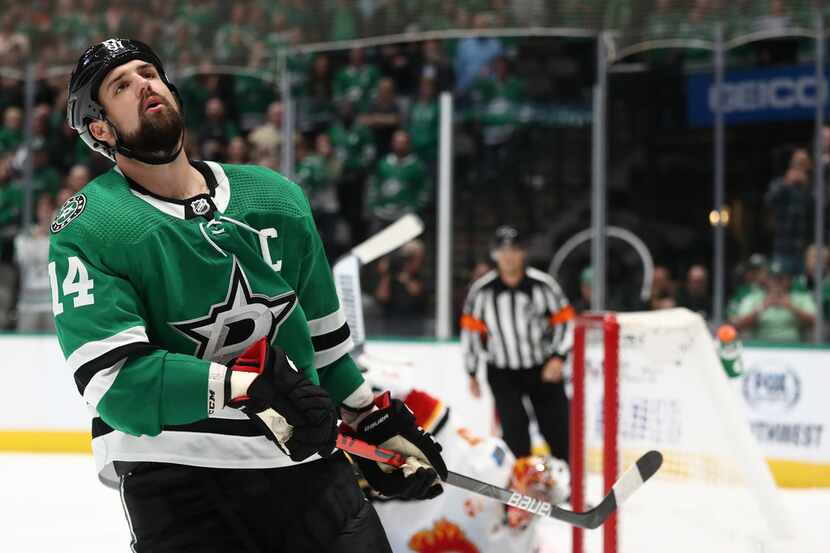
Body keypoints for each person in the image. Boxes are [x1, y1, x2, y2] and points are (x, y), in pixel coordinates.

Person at [53, 38, 447, 553]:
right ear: (100, 128)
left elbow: (326, 348)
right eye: (121, 85)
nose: (144, 84)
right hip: (178, 480)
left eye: (149, 72)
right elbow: (115, 383)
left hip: (305, 470)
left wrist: (368, 417)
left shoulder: (275, 198)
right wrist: (240, 384)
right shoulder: (90, 226)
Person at [460, 225, 573, 461]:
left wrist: (558, 357)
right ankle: (520, 492)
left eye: (514, 250)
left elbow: (566, 322)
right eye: (502, 251)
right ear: (494, 255)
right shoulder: (481, 292)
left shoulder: (543, 285)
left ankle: (569, 487)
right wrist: (471, 372)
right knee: (514, 434)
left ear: (523, 253)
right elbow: (470, 333)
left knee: (557, 429)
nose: (508, 256)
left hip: (541, 368)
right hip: (502, 371)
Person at [732, 261, 816, 342]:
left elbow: (815, 322)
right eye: (772, 278)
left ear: (789, 280)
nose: (776, 282)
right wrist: (762, 307)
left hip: (795, 347)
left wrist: (791, 307)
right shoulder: (753, 298)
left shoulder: (801, 298)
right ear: (766, 280)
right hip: (760, 347)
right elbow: (738, 325)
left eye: (781, 279)